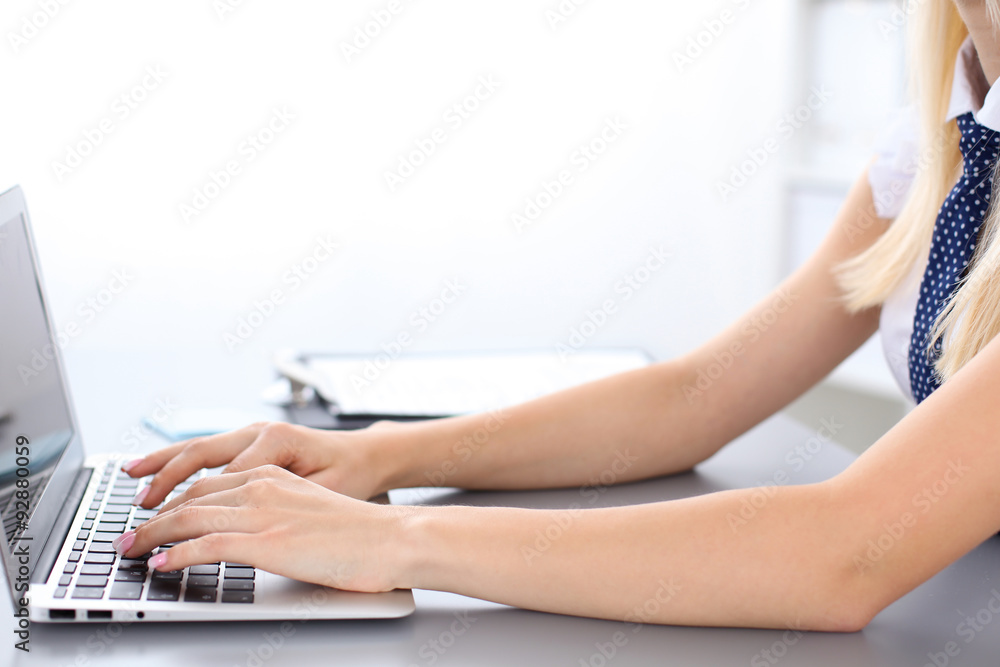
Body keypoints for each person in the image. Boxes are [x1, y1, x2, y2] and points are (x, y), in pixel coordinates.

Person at [110, 0, 1000, 631]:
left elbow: (842, 554)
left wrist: (395, 538)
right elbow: (699, 394)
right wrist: (381, 452)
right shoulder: (934, 144)